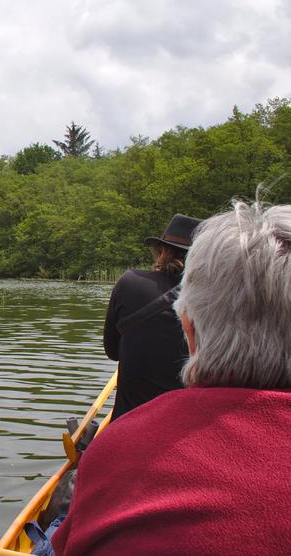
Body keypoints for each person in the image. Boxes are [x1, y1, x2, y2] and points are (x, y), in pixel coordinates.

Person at [51, 200, 291, 554]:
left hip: (126, 428)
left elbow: (112, 352)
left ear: (190, 331)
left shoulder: (117, 451)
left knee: (57, 525)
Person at [103, 213, 202, 420]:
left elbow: (113, 352)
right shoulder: (215, 299)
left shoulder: (130, 282)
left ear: (163, 251)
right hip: (184, 428)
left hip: (128, 424)